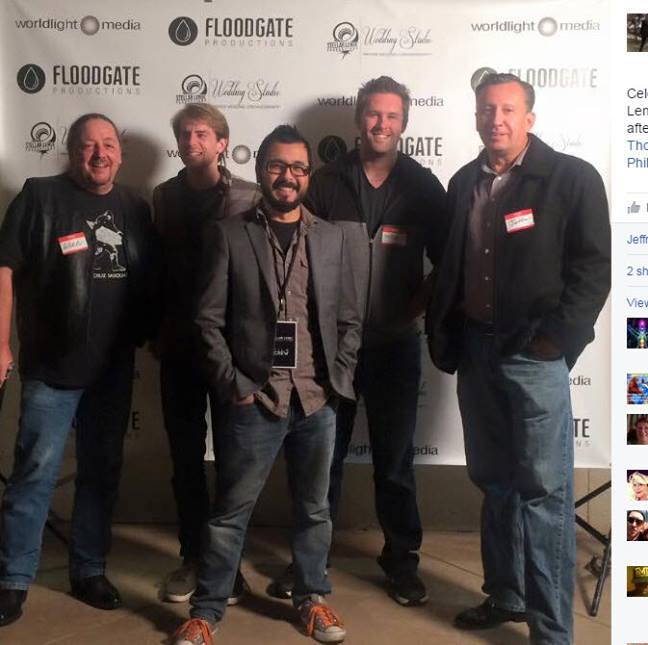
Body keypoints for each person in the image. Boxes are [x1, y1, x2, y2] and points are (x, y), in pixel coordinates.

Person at [428, 73, 611, 644]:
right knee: (496, 482)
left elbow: (593, 268)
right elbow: (450, 263)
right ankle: (505, 594)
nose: (496, 119)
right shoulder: (464, 182)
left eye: (508, 109)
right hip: (477, 352)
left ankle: (552, 632)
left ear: (529, 118)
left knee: (543, 495)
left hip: (534, 358)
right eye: (487, 109)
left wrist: (556, 339)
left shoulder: (571, 178)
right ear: (475, 117)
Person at [171, 125, 362, 645]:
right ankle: (207, 611)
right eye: (277, 165)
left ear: (308, 176)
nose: (288, 176)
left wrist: (337, 378)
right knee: (230, 512)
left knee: (315, 509)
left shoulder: (332, 237)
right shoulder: (229, 234)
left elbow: (349, 318)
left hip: (317, 399)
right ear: (260, 169)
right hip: (254, 398)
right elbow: (208, 320)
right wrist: (234, 383)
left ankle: (312, 599)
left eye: (298, 167)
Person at [269, 76, 447, 606]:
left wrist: (412, 308)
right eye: (373, 114)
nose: (381, 124)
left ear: (404, 123)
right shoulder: (326, 181)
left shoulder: (423, 186)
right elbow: (299, 256)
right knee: (323, 459)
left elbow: (448, 262)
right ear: (358, 120)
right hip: (333, 348)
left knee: (395, 462)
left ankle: (402, 563)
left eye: (391, 116)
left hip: (396, 346)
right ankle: (309, 561)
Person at [0, 113, 158, 626]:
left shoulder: (134, 207)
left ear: (120, 153)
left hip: (113, 368)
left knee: (100, 473)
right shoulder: (39, 197)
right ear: (71, 152)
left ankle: (89, 570)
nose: (99, 154)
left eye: (108, 144)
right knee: (34, 473)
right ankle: (12, 579)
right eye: (88, 145)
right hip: (53, 365)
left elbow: (148, 278)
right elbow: (4, 269)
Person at [153, 103, 259, 604]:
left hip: (233, 350)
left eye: (202, 134)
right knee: (185, 459)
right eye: (184, 134)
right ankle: (193, 557)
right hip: (178, 348)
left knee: (235, 461)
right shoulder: (163, 197)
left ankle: (227, 564)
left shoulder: (249, 197)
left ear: (222, 143)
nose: (191, 142)